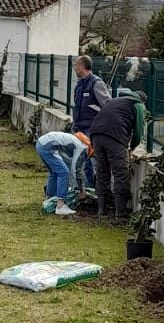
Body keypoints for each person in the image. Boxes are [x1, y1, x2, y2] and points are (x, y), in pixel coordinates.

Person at [88, 89, 146, 221]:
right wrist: (132, 147)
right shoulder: (138, 105)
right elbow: (138, 131)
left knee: (102, 172)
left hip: (96, 135)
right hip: (115, 137)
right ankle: (121, 213)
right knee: (120, 173)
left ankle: (102, 210)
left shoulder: (115, 101)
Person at [71, 56, 111, 187]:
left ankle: (95, 190)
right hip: (80, 129)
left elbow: (107, 106)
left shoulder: (96, 83)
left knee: (91, 161)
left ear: (82, 66)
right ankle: (87, 189)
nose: (75, 68)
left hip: (92, 129)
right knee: (83, 161)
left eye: (76, 65)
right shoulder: (79, 85)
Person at [35, 129, 86, 216]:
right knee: (64, 173)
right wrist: (78, 189)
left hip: (41, 143)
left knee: (54, 173)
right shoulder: (81, 147)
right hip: (47, 146)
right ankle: (60, 206)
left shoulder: (74, 141)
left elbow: (67, 161)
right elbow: (74, 169)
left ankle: (48, 200)